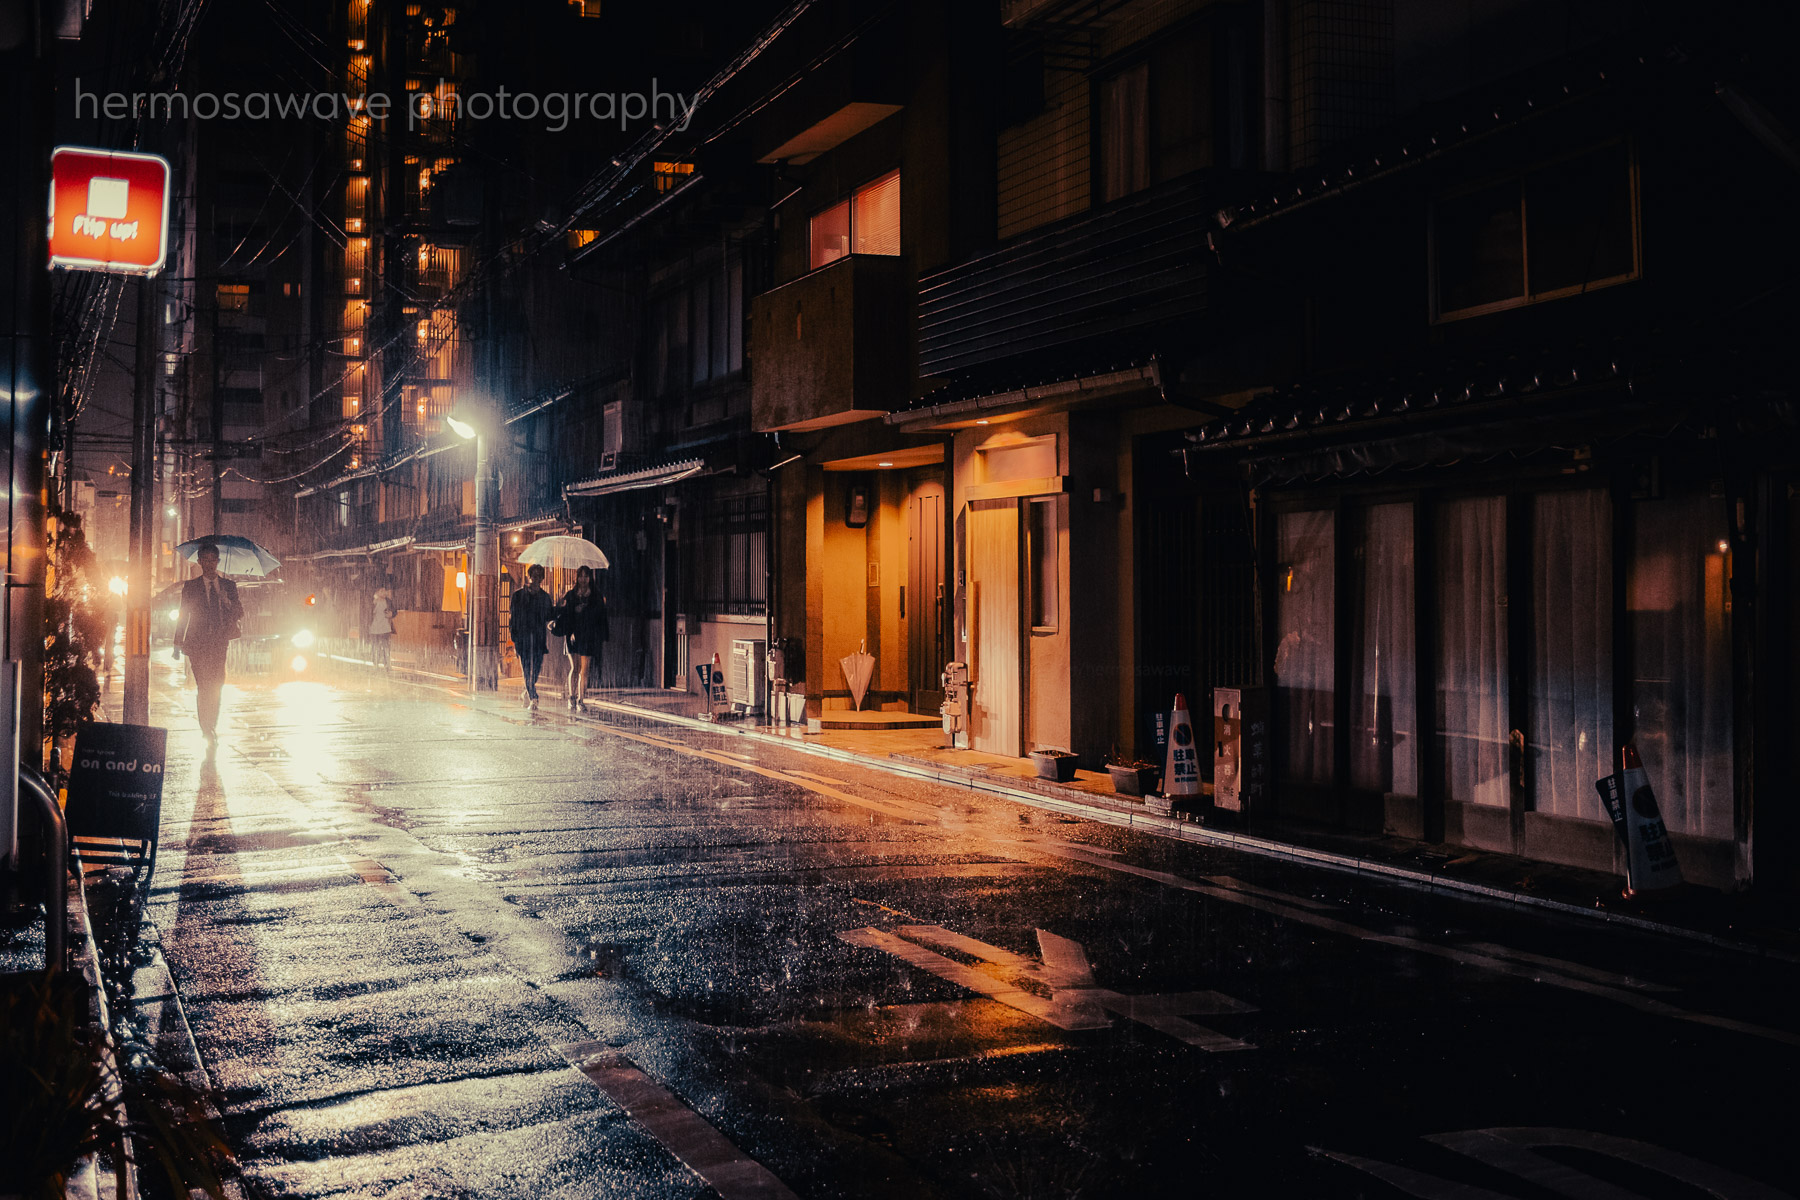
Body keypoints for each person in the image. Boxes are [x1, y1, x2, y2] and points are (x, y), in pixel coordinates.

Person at [172, 542, 243, 742]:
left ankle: (212, 722)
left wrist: (225, 599)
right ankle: (206, 726)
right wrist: (178, 643)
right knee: (203, 685)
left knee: (217, 684)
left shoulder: (229, 586)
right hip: (197, 643)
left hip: (219, 642)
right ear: (200, 562)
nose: (210, 564)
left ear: (218, 561)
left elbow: (239, 613)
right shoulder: (191, 586)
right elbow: (183, 614)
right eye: (206, 560)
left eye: (214, 560)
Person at [555, 565, 609, 711]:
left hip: (589, 635)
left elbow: (600, 616)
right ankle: (571, 697)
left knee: (585, 669)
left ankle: (581, 699)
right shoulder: (571, 595)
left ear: (590, 578)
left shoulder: (596, 596)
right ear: (577, 578)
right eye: (581, 576)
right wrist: (570, 609)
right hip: (573, 635)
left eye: (586, 576)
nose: (583, 579)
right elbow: (564, 614)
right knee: (575, 667)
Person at [508, 563, 554, 711]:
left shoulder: (545, 597)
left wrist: (559, 607)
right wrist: (514, 638)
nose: (536, 579)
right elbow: (513, 618)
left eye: (538, 576)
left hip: (539, 638)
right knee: (526, 668)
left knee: (536, 669)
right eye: (533, 575)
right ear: (529, 576)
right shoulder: (518, 596)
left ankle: (527, 690)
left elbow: (549, 616)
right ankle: (533, 697)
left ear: (542, 578)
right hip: (523, 638)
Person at [369, 587, 395, 671]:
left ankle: (387, 664)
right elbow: (368, 613)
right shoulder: (372, 602)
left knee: (386, 647)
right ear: (377, 592)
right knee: (375, 647)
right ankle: (375, 664)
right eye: (382, 591)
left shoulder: (388, 601)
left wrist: (392, 614)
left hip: (385, 627)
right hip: (375, 627)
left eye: (385, 591)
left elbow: (394, 611)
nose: (384, 593)